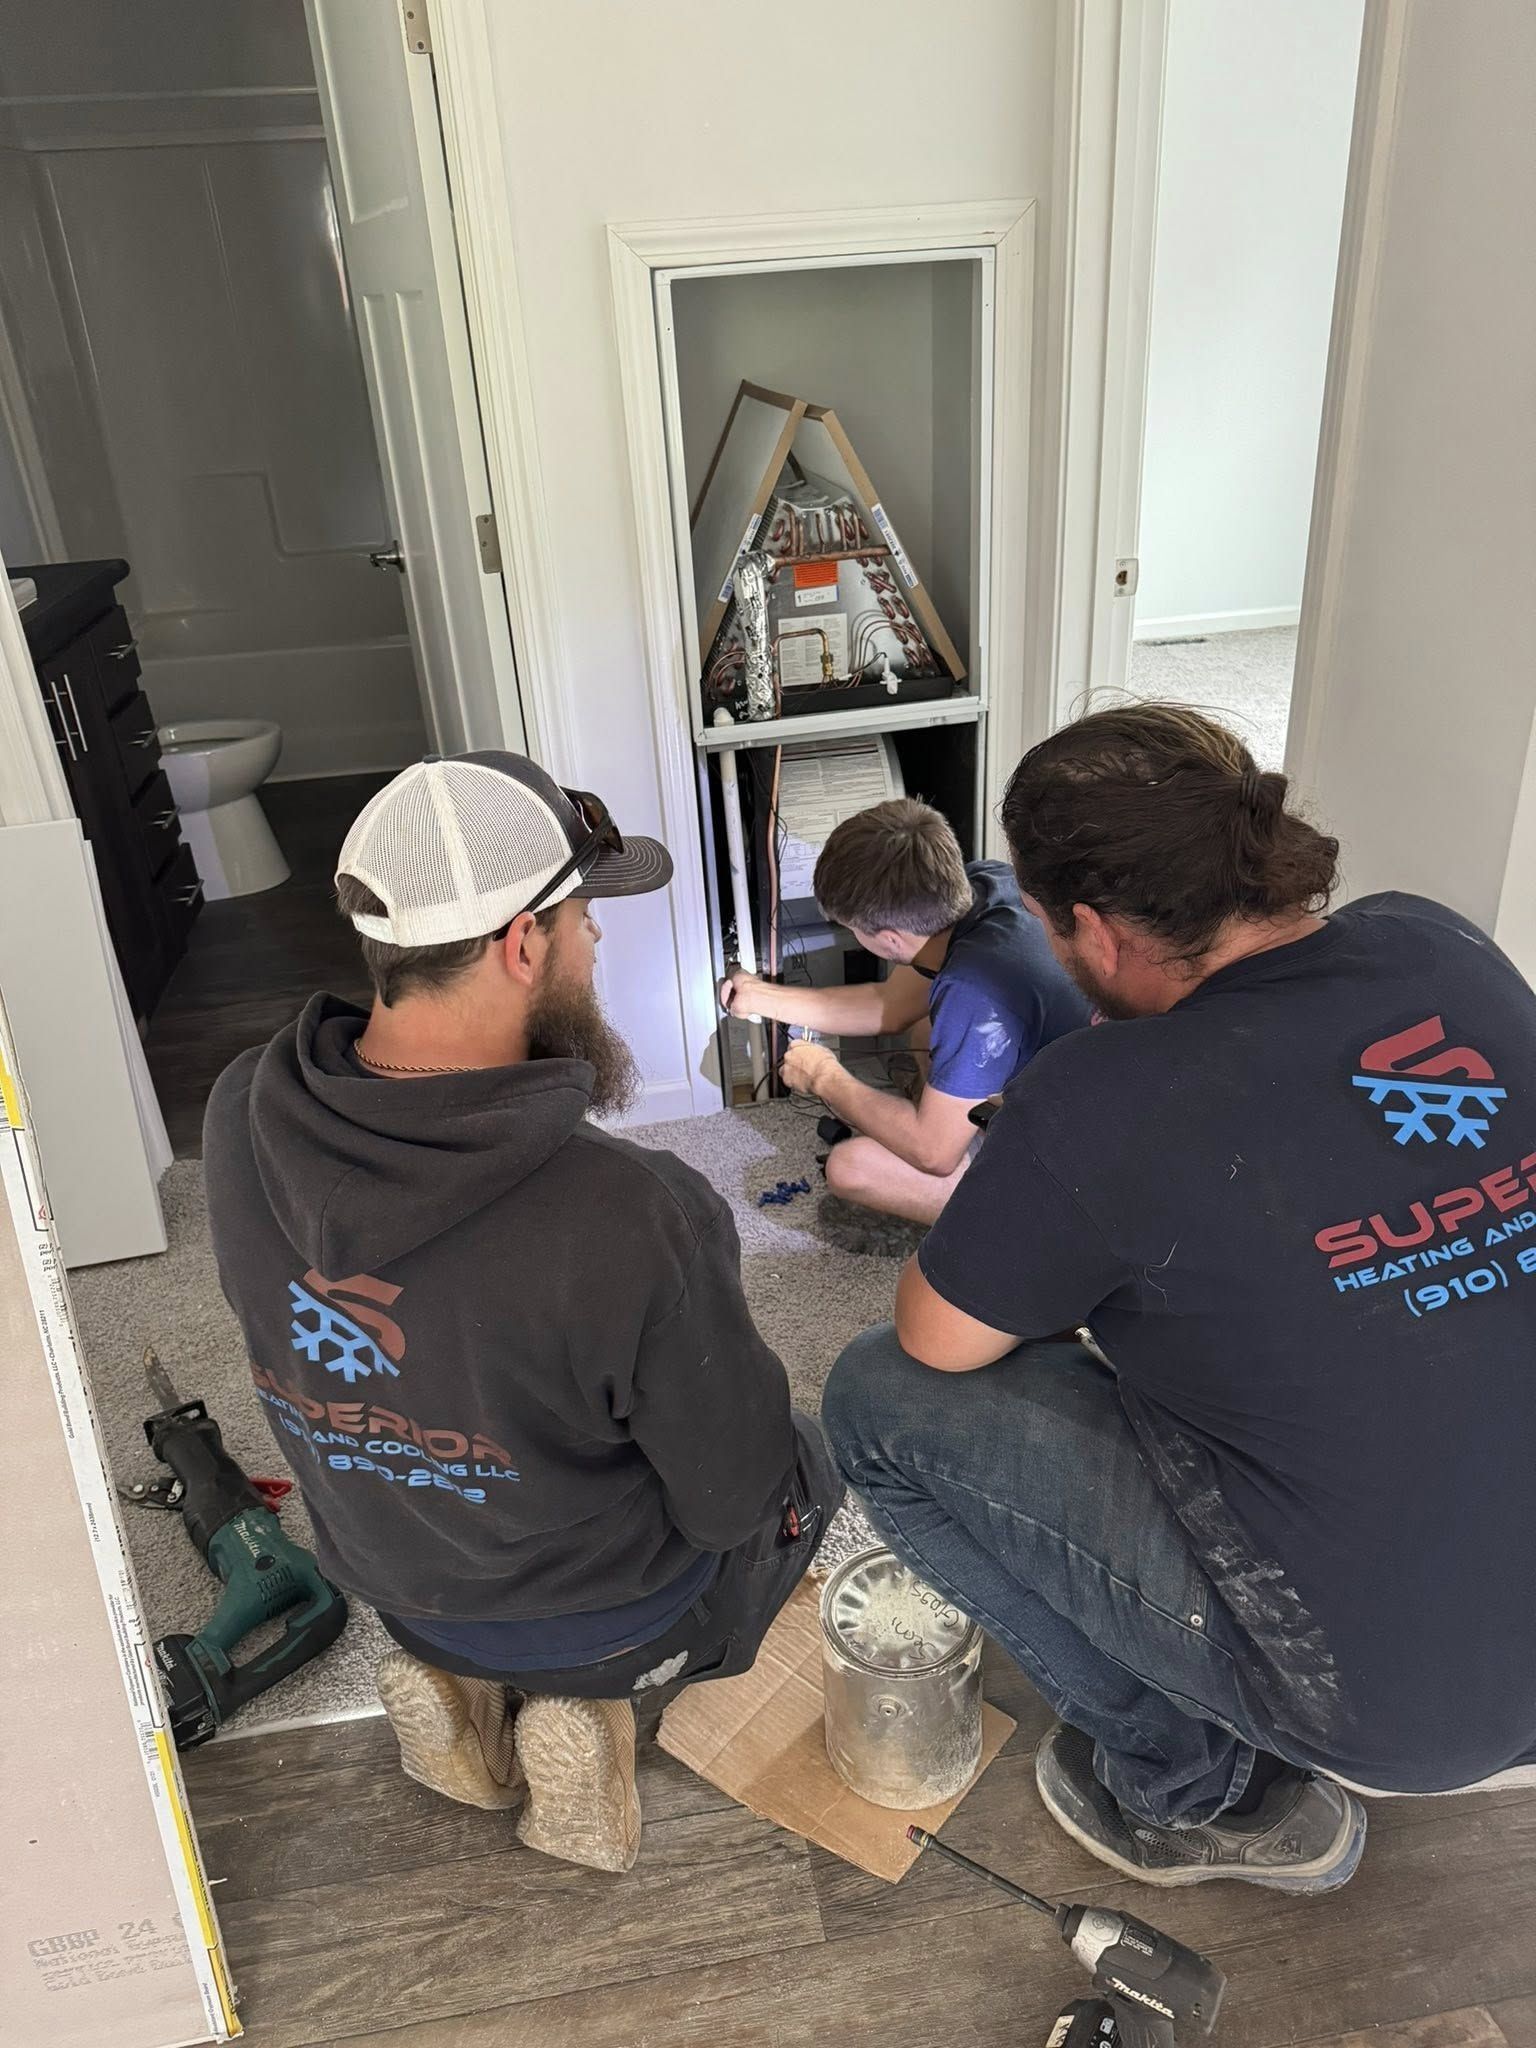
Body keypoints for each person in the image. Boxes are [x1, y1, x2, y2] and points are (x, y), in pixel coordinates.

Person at [822, 703, 1536, 1894]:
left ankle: (1199, 1790)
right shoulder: (1435, 943)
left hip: (1410, 1704)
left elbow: (933, 1336)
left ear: (1096, 931)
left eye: (1050, 926)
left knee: (875, 1401)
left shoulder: (1103, 1091)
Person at [203, 750, 840, 1872]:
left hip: (396, 1590)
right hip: (611, 1617)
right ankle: (580, 1712)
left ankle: (455, 1680)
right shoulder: (635, 1211)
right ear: (523, 943)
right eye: (587, 916)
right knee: (804, 1463)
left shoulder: (239, 1107)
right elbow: (732, 1493)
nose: (596, 944)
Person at [721, 798, 1090, 1238]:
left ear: (890, 938)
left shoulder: (973, 992)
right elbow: (891, 1005)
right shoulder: (986, 884)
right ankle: (951, 1118)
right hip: (1077, 1098)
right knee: (923, 1023)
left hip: (1080, 1180)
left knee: (850, 1168)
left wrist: (824, 1078)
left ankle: (1040, 1231)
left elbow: (933, 1155)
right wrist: (764, 998)